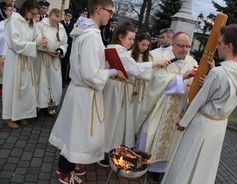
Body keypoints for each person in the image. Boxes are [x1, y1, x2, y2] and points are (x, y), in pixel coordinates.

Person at [161, 24, 237, 184]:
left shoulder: (218, 73)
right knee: (205, 166)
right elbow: (226, 88)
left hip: (202, 123)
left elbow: (199, 100)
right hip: (219, 125)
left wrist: (183, 121)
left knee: (185, 161)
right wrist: (212, 76)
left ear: (229, 46)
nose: (217, 47)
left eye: (220, 43)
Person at [48, 0, 127, 183]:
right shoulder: (91, 36)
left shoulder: (85, 31)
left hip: (80, 91)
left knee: (74, 134)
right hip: (85, 94)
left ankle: (68, 167)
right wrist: (113, 71)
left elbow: (88, 64)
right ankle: (66, 174)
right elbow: (90, 74)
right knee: (78, 136)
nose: (110, 15)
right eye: (109, 11)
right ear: (99, 10)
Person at [100, 20, 170, 167]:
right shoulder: (121, 53)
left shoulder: (115, 49)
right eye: (130, 39)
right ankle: (105, 152)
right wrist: (156, 63)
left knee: (115, 122)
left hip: (118, 89)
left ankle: (109, 151)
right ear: (120, 37)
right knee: (112, 122)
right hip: (116, 91)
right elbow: (135, 69)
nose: (132, 42)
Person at [135, 32, 198, 182]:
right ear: (173, 44)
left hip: (177, 108)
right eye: (181, 46)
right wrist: (182, 78)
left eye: (187, 46)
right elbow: (157, 79)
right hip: (159, 104)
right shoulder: (159, 56)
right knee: (150, 131)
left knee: (171, 138)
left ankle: (159, 169)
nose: (184, 49)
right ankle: (141, 162)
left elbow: (195, 84)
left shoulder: (192, 61)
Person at [2, 0, 48, 129]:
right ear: (26, 10)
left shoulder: (30, 22)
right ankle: (8, 117)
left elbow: (35, 36)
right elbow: (15, 42)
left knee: (25, 88)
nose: (34, 17)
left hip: (26, 59)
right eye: (33, 13)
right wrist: (34, 45)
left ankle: (20, 114)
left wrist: (41, 40)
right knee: (13, 87)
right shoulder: (14, 21)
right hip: (15, 60)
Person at [34, 8, 68, 116]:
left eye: (57, 21)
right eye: (53, 21)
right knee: (41, 83)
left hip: (54, 60)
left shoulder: (61, 28)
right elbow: (35, 40)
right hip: (42, 59)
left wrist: (60, 50)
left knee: (54, 83)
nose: (55, 23)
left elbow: (65, 43)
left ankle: (50, 105)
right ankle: (37, 105)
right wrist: (46, 50)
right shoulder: (40, 25)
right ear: (49, 16)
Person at [130, 32, 153, 123]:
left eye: (147, 45)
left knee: (138, 110)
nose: (144, 48)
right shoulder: (130, 54)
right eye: (143, 44)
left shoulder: (150, 57)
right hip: (132, 85)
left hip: (143, 87)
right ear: (137, 42)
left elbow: (151, 73)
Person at [60, 8, 74, 88]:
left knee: (68, 64)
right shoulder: (61, 23)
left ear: (71, 17)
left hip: (70, 47)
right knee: (62, 64)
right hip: (62, 46)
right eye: (67, 15)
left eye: (69, 16)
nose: (68, 17)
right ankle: (61, 80)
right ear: (64, 15)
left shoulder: (73, 25)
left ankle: (66, 80)